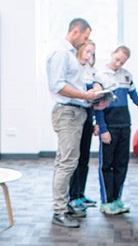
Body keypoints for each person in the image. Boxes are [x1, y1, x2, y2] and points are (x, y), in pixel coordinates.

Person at [46, 17, 105, 228]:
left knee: (69, 160)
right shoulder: (61, 53)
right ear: (76, 32)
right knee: (66, 162)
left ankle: (66, 205)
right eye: (86, 37)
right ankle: (59, 211)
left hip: (76, 112)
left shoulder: (71, 55)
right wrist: (84, 95)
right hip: (68, 112)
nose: (86, 41)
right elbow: (57, 85)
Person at [94, 45, 138, 215]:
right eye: (117, 59)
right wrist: (103, 129)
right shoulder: (100, 76)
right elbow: (98, 107)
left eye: (122, 61)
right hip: (109, 127)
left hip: (124, 125)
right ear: (112, 54)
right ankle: (106, 201)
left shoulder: (127, 76)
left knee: (121, 164)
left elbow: (135, 98)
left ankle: (116, 199)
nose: (118, 63)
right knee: (107, 164)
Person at [68, 39, 100, 213]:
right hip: (75, 113)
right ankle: (72, 196)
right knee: (74, 157)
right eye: (87, 51)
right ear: (79, 49)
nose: (89, 56)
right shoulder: (73, 68)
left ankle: (80, 194)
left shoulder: (91, 70)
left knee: (84, 158)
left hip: (88, 114)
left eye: (92, 53)